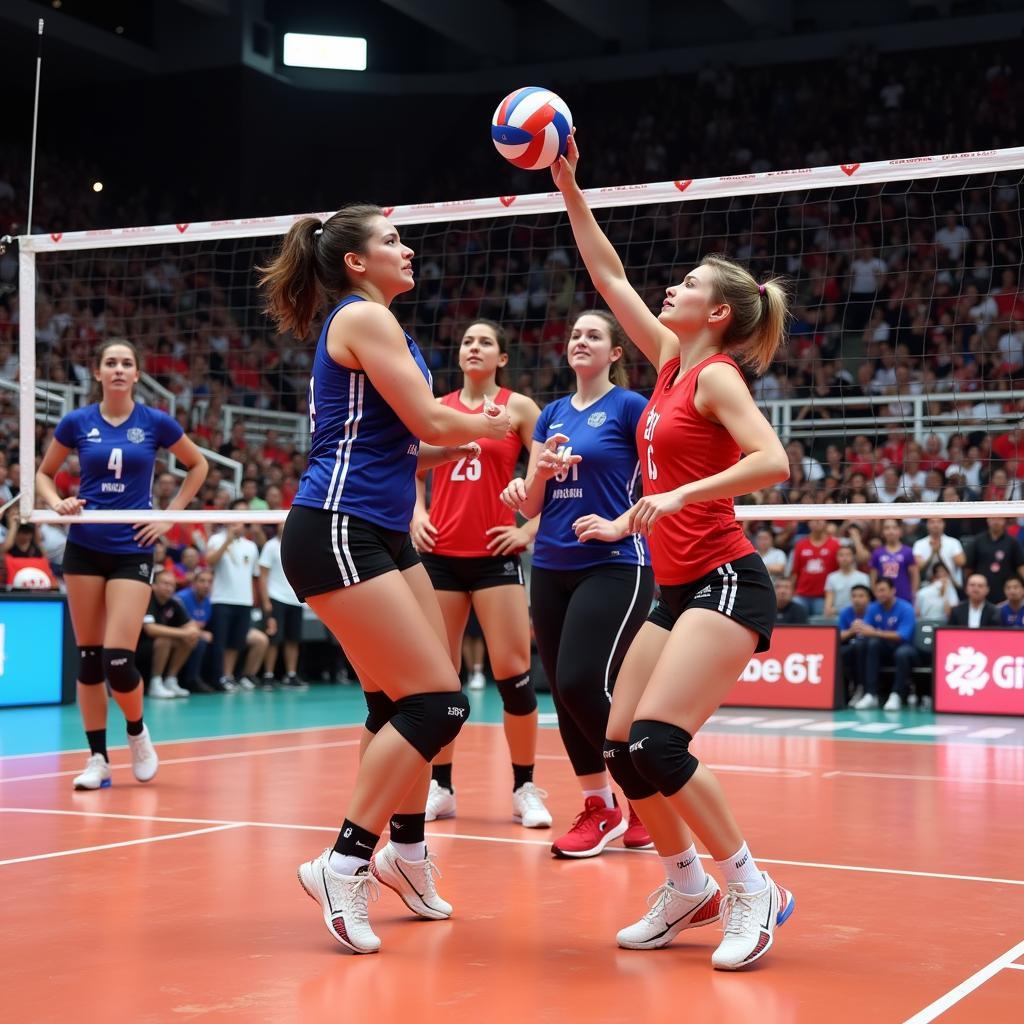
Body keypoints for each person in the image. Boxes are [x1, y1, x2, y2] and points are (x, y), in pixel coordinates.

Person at [551, 133, 794, 969]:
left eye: (688, 285)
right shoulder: (662, 361)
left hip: (728, 580)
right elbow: (610, 274)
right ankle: (686, 883)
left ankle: (752, 889)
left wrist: (680, 497)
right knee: (619, 745)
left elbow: (773, 460)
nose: (671, 287)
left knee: (658, 742)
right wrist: (570, 187)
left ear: (717, 312)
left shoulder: (716, 374)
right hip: (674, 581)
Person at [258, 204, 510, 953]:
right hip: (337, 525)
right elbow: (435, 424)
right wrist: (494, 418)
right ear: (357, 262)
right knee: (437, 704)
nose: (408, 249)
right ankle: (344, 863)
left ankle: (407, 853)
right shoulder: (362, 319)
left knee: (396, 703)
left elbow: (408, 446)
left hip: (378, 529)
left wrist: (470, 430)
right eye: (392, 240)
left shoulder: (378, 325)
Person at [500, 310, 655, 857]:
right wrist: (529, 482)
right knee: (565, 695)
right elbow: (537, 501)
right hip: (551, 564)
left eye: (594, 335)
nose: (580, 341)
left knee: (582, 680)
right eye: (575, 335)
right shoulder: (551, 415)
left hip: (616, 560)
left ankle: (645, 795)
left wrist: (620, 522)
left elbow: (663, 479)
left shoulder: (631, 407)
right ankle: (602, 807)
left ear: (615, 352)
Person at [35, 338, 208, 790]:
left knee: (117, 658)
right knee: (89, 661)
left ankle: (136, 732)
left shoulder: (154, 421)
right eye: (110, 363)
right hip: (85, 547)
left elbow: (198, 466)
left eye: (126, 363)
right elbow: (42, 474)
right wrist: (57, 503)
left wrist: (169, 516)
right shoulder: (77, 422)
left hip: (132, 547)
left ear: (136, 374)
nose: (117, 369)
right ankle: (97, 759)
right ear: (97, 373)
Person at [411, 319, 551, 829]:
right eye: (467, 341)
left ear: (501, 358)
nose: (474, 347)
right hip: (441, 557)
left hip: (495, 554)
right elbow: (409, 464)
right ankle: (441, 787)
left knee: (513, 675)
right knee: (440, 679)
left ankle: (524, 787)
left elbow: (550, 473)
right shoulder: (438, 407)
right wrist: (417, 514)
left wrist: (529, 528)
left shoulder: (518, 408)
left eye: (485, 342)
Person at [206, 500, 262, 692]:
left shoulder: (251, 546)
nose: (239, 520)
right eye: (237, 514)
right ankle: (218, 677)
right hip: (221, 599)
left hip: (243, 601)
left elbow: (254, 575)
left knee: (236, 642)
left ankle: (228, 676)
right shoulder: (216, 539)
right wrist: (227, 541)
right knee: (220, 642)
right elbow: (210, 562)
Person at [850, 578, 917, 711]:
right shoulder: (873, 607)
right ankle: (870, 693)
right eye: (877, 591)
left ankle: (896, 695)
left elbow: (901, 636)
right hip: (884, 648)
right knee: (869, 644)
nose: (880, 594)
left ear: (893, 591)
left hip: (905, 647)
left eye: (883, 590)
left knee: (902, 653)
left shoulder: (906, 608)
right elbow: (865, 630)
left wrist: (875, 632)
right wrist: (857, 627)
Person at [138, 569, 203, 698]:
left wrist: (191, 632)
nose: (169, 588)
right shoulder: (147, 598)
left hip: (158, 646)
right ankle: (155, 683)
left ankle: (170, 680)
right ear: (154, 585)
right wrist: (184, 633)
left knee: (190, 639)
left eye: (172, 585)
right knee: (165, 639)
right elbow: (151, 629)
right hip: (138, 646)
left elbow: (192, 626)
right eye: (165, 583)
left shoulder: (174, 603)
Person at [258, 528, 307, 690]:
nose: (284, 526)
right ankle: (268, 676)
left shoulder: (298, 545)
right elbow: (263, 576)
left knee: (293, 639)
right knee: (274, 639)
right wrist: (265, 602)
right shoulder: (270, 546)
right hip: (276, 597)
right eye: (281, 523)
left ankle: (291, 675)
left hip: (295, 599)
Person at [964, 518, 1024, 600]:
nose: (996, 522)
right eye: (993, 519)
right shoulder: (977, 541)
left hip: (1007, 592)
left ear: (1004, 521)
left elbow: (1021, 566)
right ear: (987, 520)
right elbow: (968, 568)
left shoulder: (1012, 542)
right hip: (981, 592)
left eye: (999, 519)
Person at [789, 519, 839, 616]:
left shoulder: (835, 544)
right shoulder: (800, 544)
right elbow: (795, 572)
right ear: (808, 523)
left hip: (823, 596)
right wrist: (792, 592)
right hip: (801, 594)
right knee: (799, 627)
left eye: (820, 520)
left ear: (826, 522)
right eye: (813, 520)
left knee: (820, 627)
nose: (817, 522)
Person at [177, 568, 216, 692]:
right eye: (202, 581)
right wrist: (200, 632)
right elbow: (178, 622)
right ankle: (191, 680)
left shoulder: (208, 602)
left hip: (191, 633)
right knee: (200, 641)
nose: (206, 585)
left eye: (210, 582)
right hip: (174, 632)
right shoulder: (181, 598)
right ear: (193, 583)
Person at [869, 518, 919, 604]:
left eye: (894, 528)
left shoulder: (907, 552)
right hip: (883, 599)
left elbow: (914, 576)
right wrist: (877, 594)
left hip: (904, 597)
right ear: (882, 532)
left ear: (900, 531)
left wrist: (913, 595)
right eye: (887, 528)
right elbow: (873, 578)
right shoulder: (877, 553)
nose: (891, 531)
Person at [838, 584, 872, 705]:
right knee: (840, 653)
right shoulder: (845, 612)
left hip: (870, 647)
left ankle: (862, 688)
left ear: (869, 598)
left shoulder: (874, 610)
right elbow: (838, 636)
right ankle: (842, 693)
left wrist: (866, 630)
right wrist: (851, 631)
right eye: (854, 596)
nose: (857, 599)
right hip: (851, 647)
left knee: (862, 647)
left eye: (861, 596)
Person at [912, 517, 966, 589]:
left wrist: (939, 552)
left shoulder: (953, 542)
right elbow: (917, 566)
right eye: (932, 522)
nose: (935, 525)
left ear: (944, 524)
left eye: (939, 522)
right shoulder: (919, 544)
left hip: (950, 584)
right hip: (926, 585)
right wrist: (933, 552)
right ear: (927, 525)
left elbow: (961, 562)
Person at [823, 541, 871, 616]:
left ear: (853, 557)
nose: (844, 558)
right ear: (837, 558)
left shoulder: (863, 577)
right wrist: (829, 610)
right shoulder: (831, 577)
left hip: (858, 614)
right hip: (837, 615)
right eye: (841, 555)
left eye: (848, 555)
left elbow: (865, 602)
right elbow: (828, 603)